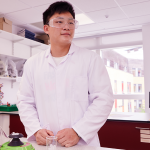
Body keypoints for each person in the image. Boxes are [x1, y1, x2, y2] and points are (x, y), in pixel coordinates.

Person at [17, 1, 114, 148]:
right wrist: (36, 130)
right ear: (46, 28)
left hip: (82, 144)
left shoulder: (90, 59)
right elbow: (25, 101)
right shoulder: (32, 63)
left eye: (71, 22)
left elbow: (103, 100)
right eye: (59, 22)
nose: (67, 26)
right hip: (45, 144)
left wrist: (78, 131)